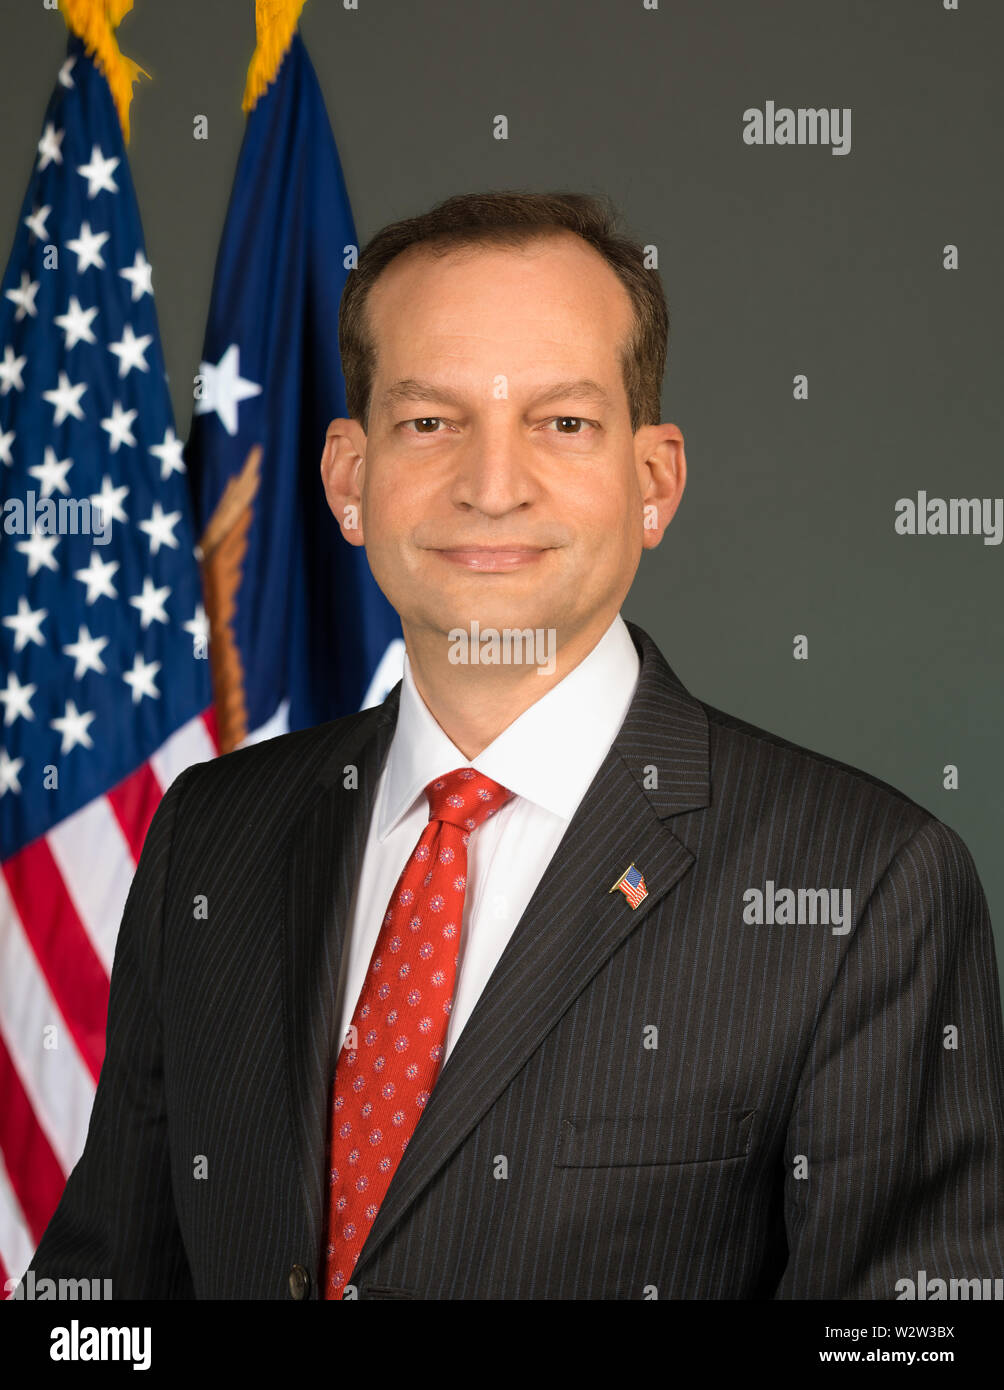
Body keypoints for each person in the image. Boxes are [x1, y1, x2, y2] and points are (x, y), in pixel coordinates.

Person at [25, 190, 1004, 1300]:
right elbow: (101, 1301)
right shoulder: (211, 830)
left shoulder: (865, 882)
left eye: (562, 422)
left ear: (653, 482)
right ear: (350, 479)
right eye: (430, 422)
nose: (492, 487)